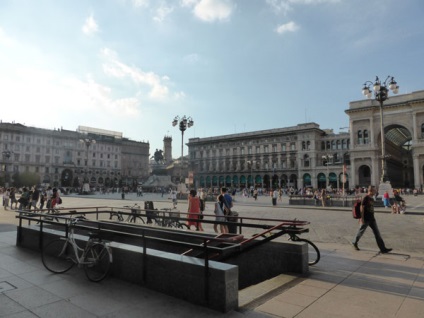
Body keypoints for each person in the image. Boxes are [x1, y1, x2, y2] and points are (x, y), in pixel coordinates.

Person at [351, 185, 392, 253]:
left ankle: (383, 248)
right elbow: (362, 208)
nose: (375, 191)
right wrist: (362, 218)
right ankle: (354, 242)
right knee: (361, 231)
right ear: (371, 191)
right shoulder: (366, 197)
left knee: (377, 233)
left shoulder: (371, 198)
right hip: (366, 218)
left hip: (372, 218)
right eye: (374, 190)